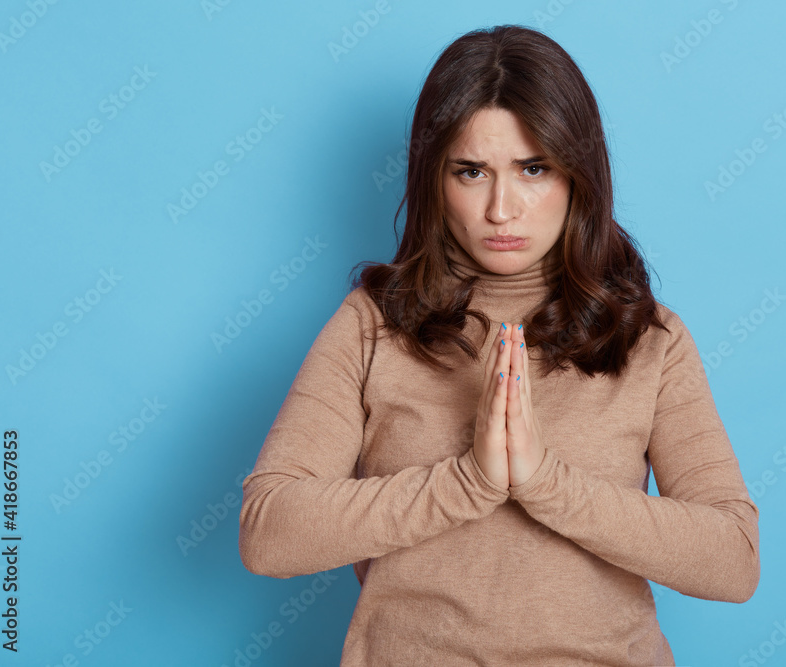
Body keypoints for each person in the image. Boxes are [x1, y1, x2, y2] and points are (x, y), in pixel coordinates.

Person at [239, 24, 759, 666]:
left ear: (578, 176)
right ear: (435, 179)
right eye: (471, 171)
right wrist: (466, 482)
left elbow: (733, 560)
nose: (501, 209)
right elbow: (269, 532)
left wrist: (545, 483)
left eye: (533, 169)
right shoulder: (371, 325)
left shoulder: (650, 338)